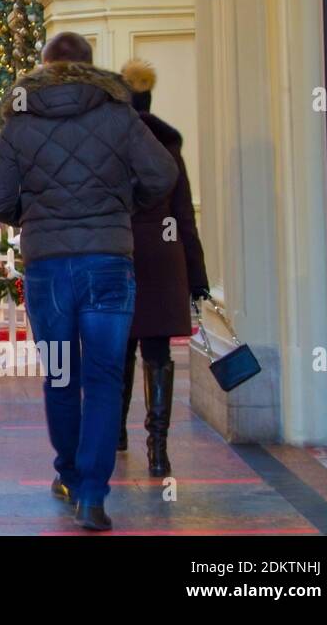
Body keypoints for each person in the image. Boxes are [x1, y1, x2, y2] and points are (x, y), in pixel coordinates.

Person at [0, 33, 177, 531]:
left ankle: (68, 473)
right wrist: (122, 206)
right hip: (109, 262)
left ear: (45, 66)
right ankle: (92, 494)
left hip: (49, 268)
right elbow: (162, 173)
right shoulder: (118, 113)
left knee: (62, 373)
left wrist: (33, 215)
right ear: (91, 66)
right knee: (105, 376)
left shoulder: (20, 122)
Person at [119, 59, 209, 477]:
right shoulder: (169, 145)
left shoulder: (115, 144)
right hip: (165, 257)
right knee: (158, 354)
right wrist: (198, 276)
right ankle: (158, 448)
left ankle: (116, 434)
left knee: (120, 350)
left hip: (123, 256)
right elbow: (183, 215)